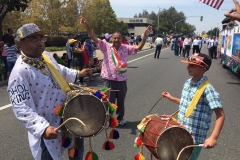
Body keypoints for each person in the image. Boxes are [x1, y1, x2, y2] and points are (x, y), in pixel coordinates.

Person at [7, 23, 91, 160]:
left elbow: (60, 70)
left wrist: (77, 74)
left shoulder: (45, 56)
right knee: (49, 156)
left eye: (41, 39)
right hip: (48, 127)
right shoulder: (20, 73)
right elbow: (21, 107)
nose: (40, 43)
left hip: (67, 115)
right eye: (34, 40)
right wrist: (42, 128)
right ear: (19, 43)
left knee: (76, 149)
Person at [80, 16, 152, 125]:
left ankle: (120, 118)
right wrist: (87, 26)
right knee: (108, 101)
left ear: (122, 39)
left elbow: (138, 48)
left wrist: (145, 37)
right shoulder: (106, 46)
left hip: (122, 80)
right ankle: (109, 118)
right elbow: (93, 36)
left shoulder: (125, 48)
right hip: (109, 79)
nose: (116, 40)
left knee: (121, 101)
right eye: (114, 38)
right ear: (111, 38)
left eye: (118, 38)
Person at [161, 53, 225, 160]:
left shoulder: (207, 89)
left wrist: (213, 137)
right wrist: (171, 98)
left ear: (203, 69)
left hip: (194, 139)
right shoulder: (187, 83)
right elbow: (188, 103)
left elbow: (220, 115)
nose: (188, 67)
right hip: (181, 133)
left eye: (192, 65)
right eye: (188, 64)